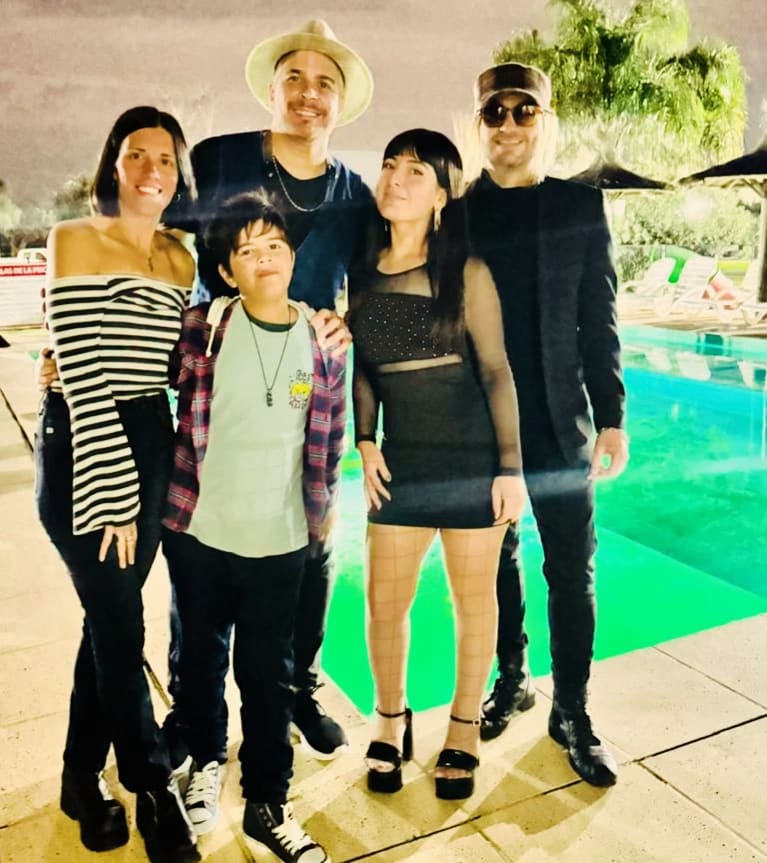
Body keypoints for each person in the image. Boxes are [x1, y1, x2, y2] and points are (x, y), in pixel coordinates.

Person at [163, 20, 373, 788]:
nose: (307, 94)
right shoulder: (219, 159)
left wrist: (353, 324)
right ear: (271, 89)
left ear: (340, 101)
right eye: (294, 78)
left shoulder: (355, 196)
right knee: (203, 551)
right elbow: (165, 252)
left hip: (306, 399)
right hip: (221, 387)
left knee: (309, 550)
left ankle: (295, 687)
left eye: (324, 83)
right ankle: (194, 713)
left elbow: (378, 289)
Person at [35, 106, 200, 862]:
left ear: (178, 174)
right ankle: (150, 783)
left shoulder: (180, 259)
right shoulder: (74, 237)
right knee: (122, 623)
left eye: (165, 158)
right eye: (136, 154)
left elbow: (171, 364)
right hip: (85, 439)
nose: (151, 170)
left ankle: (79, 778)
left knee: (106, 621)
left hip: (151, 437)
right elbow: (81, 363)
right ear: (114, 164)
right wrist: (111, 490)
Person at [162, 193, 345, 862]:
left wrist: (324, 509)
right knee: (201, 663)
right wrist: (55, 368)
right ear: (226, 270)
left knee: (268, 676)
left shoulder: (322, 339)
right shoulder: (203, 327)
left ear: (292, 256)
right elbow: (138, 374)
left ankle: (268, 801)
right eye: (246, 250)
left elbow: (331, 432)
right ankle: (206, 762)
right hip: (200, 533)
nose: (263, 258)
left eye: (274, 245)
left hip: (280, 539)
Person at [463, 62, 629, 787]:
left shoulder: (578, 206)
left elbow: (600, 317)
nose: (508, 124)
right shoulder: (457, 212)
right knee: (495, 559)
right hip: (480, 424)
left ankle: (573, 707)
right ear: (480, 124)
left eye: (522, 111)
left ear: (544, 122)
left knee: (570, 567)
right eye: (494, 112)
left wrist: (612, 417)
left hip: (562, 422)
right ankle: (512, 677)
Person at [348, 129, 526, 799]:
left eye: (415, 171)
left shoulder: (466, 271)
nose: (395, 178)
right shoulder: (362, 270)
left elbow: (496, 370)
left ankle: (463, 726)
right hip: (402, 464)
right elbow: (365, 368)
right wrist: (365, 439)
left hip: (472, 461)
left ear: (442, 196)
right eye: (389, 164)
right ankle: (390, 719)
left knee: (472, 602)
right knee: (383, 603)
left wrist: (509, 467)